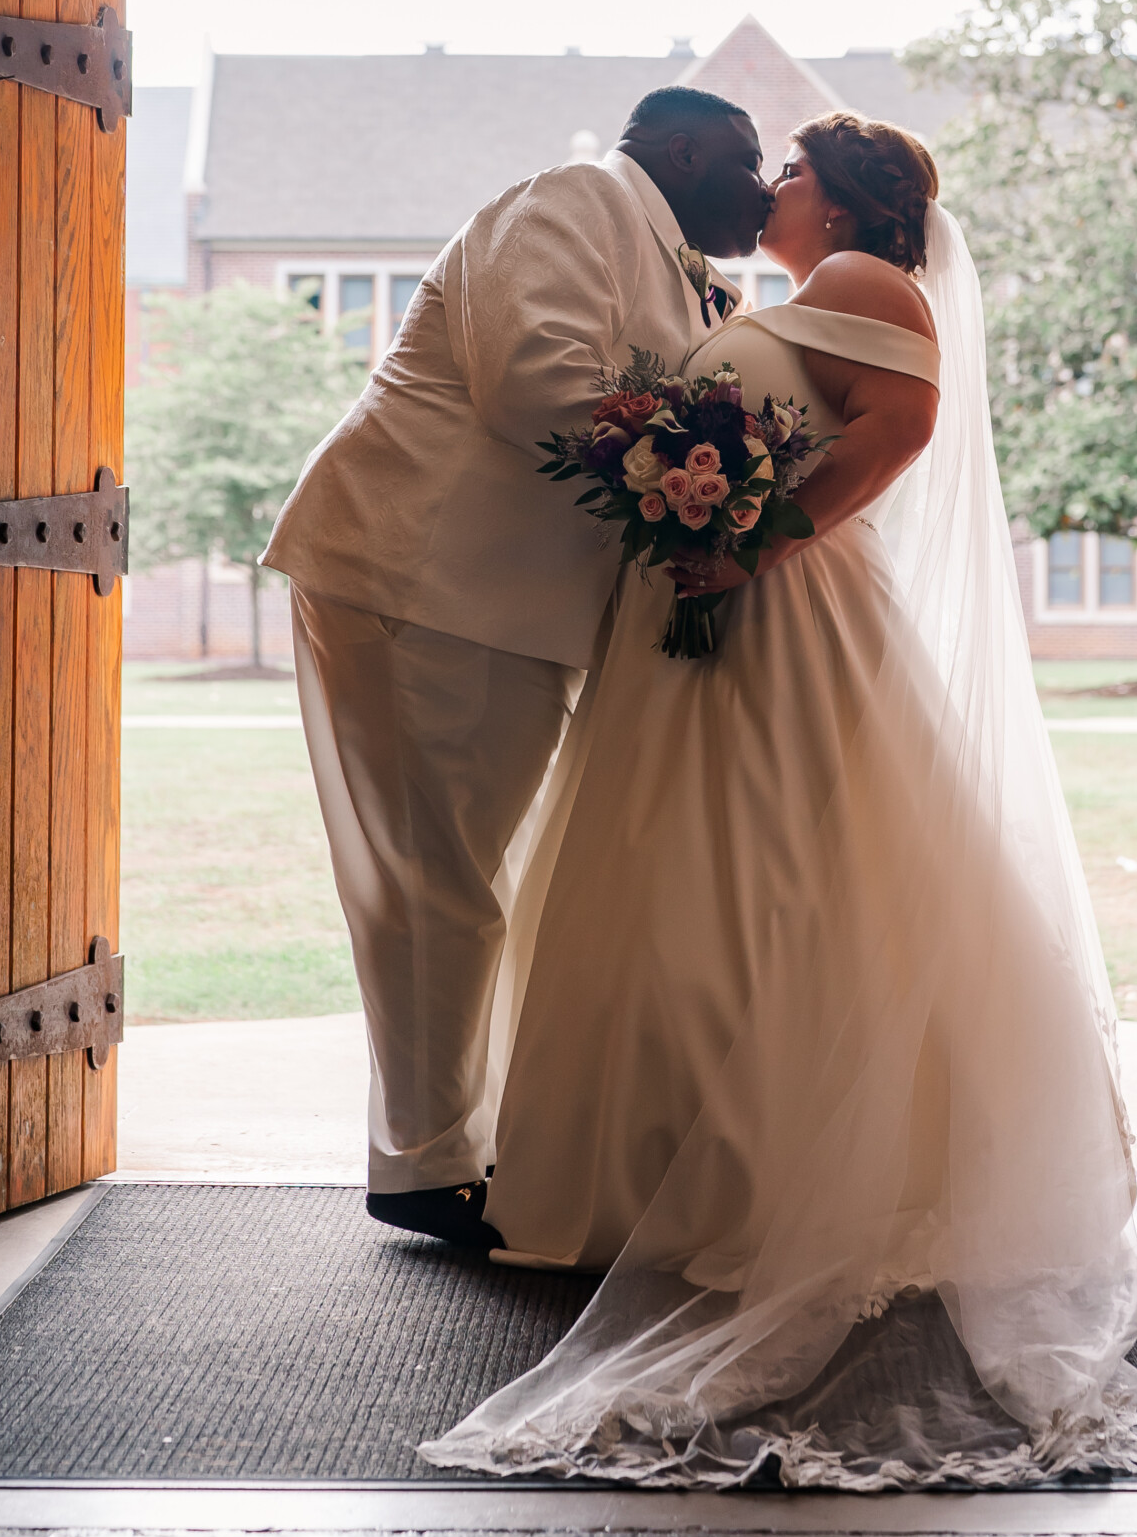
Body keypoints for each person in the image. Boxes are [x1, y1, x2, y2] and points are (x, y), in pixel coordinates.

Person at [421, 112, 1137, 1486]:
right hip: (709, 614)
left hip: (788, 620)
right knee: (681, 878)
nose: (771, 188)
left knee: (784, 875)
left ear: (848, 202)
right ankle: (646, 1179)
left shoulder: (866, 282)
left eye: (795, 174)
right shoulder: (788, 293)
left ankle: (784, 1183)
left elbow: (901, 424)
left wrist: (755, 538)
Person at [260, 86, 771, 1246]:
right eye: (748, 163)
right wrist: (701, 471)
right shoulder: (573, 199)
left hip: (503, 610)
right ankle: (427, 1170)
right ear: (679, 149)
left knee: (456, 877)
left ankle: (450, 1142)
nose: (763, 188)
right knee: (434, 882)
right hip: (422, 576)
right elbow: (532, 380)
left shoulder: (683, 261)